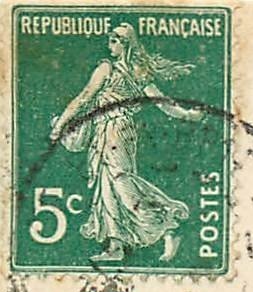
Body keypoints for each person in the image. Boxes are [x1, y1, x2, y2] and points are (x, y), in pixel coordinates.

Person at [49, 25, 203, 263]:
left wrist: (60, 125)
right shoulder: (137, 71)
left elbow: (84, 97)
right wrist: (187, 115)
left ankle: (170, 225)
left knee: (122, 185)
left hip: (113, 132)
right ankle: (116, 246)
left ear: (125, 43)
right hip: (115, 132)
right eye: (110, 39)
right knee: (107, 187)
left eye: (114, 40)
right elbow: (162, 103)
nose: (109, 44)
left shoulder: (107, 68)